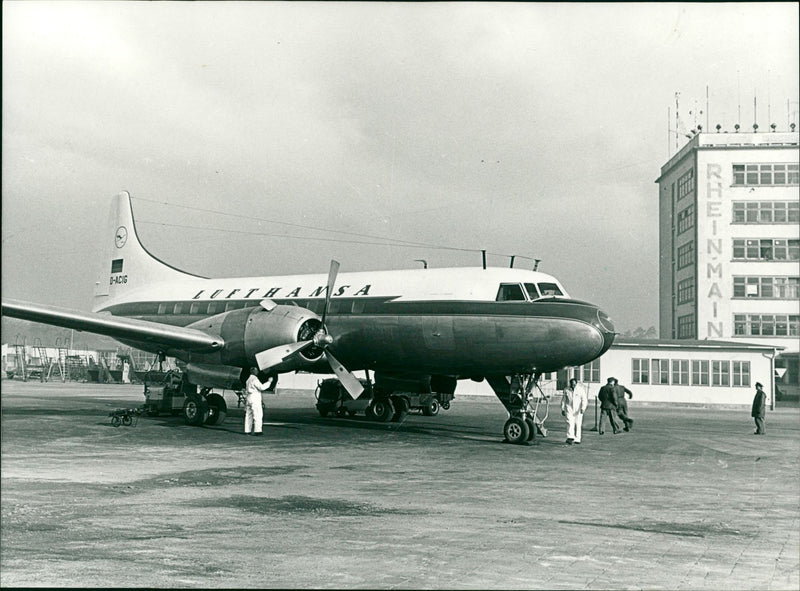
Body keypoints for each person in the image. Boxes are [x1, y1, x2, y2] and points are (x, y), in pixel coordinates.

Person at [561, 378, 588, 444]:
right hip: (569, 408)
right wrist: (562, 409)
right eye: (572, 384)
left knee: (578, 424)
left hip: (578, 410)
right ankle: (570, 437)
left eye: (574, 384)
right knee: (569, 422)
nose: (573, 385)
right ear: (570, 384)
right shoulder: (566, 389)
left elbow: (584, 399)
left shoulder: (580, 389)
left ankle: (578, 438)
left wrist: (583, 408)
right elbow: (563, 400)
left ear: (576, 383)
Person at [244, 367, 270, 436]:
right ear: (254, 371)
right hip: (255, 398)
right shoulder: (254, 379)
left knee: (248, 415)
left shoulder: (248, 380)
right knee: (257, 414)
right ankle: (258, 431)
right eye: (256, 370)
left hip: (249, 397)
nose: (258, 372)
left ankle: (247, 431)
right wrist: (269, 382)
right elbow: (262, 387)